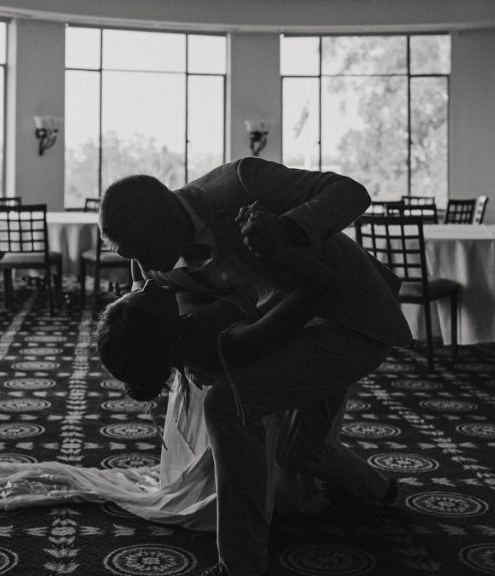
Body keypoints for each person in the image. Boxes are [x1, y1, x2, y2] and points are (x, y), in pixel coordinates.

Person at [99, 158, 412, 576]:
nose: (139, 267)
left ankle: (239, 567)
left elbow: (353, 193)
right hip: (291, 328)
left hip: (353, 319)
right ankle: (381, 491)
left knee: (227, 406)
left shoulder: (240, 183)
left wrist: (289, 228)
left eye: (138, 250)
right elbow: (179, 321)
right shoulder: (154, 265)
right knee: (301, 450)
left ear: (163, 222)